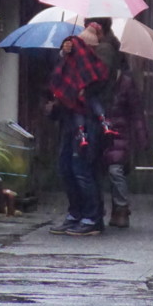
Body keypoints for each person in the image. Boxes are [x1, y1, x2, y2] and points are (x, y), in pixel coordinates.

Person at [45, 26, 110, 236]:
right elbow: (61, 78)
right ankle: (76, 214)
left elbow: (95, 85)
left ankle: (91, 218)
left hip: (88, 121)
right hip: (69, 119)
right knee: (66, 167)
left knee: (81, 168)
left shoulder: (102, 63)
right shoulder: (72, 60)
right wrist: (64, 53)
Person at [102, 59, 149, 228]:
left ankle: (121, 208)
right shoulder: (99, 82)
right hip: (101, 132)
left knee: (115, 169)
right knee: (101, 170)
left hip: (120, 134)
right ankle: (109, 209)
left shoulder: (126, 84)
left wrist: (142, 138)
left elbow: (137, 113)